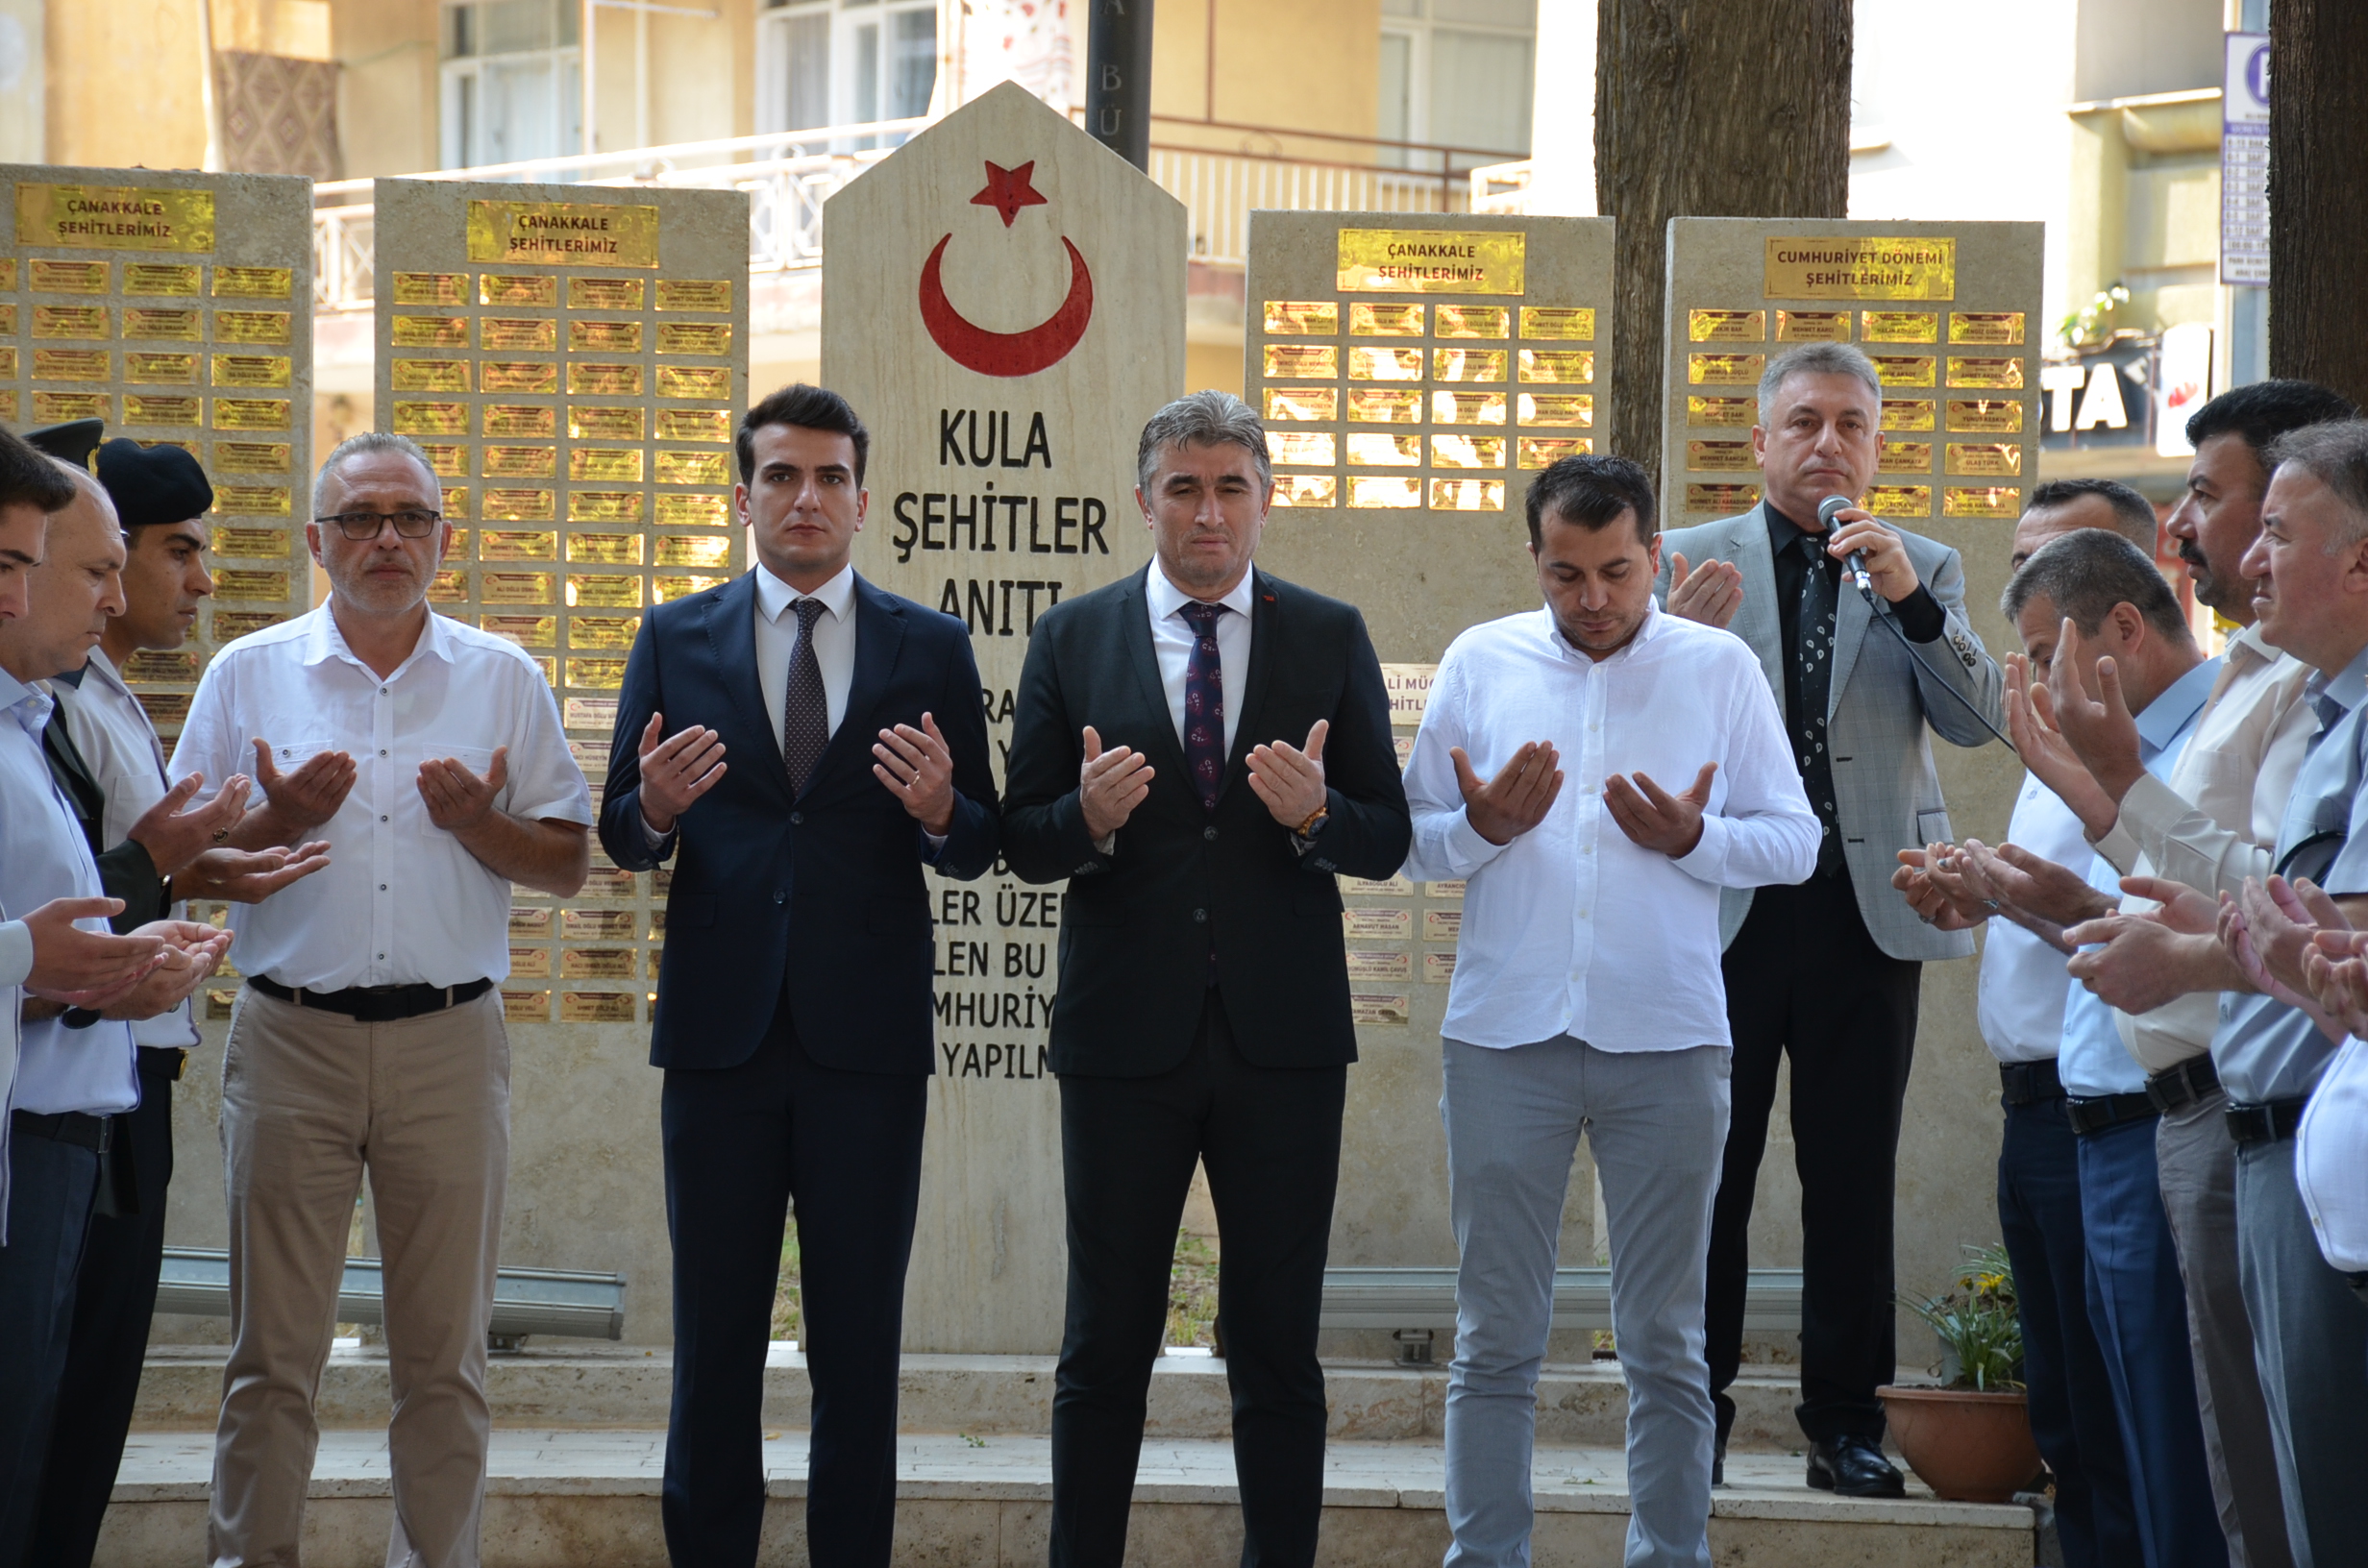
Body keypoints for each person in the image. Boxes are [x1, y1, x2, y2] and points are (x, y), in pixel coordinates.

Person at [1001, 389, 1410, 1568]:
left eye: (1232, 486)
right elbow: (1021, 839)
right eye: (1183, 487)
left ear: (1266, 500)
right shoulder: (1072, 638)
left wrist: (1317, 813)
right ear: (1144, 500)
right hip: (1123, 1039)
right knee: (1105, 1341)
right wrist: (1084, 819)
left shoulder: (1326, 634)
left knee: (1276, 1343)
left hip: (1284, 1043)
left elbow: (1385, 836)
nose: (1208, 511)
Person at [172, 430, 592, 1568]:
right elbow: (177, 866)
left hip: (449, 1042)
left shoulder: (502, 677)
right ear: (318, 542)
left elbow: (565, 865)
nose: (388, 538)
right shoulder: (247, 674)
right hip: (291, 1039)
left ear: (445, 540)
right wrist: (280, 819)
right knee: (271, 1358)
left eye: (411, 517)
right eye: (360, 518)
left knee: (444, 1360)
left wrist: (478, 825)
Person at [599, 383, 999, 1568]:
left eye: (830, 477)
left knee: (858, 1345)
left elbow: (976, 841)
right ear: (744, 498)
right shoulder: (675, 636)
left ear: (863, 501)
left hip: (865, 1047)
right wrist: (652, 808)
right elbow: (622, 833)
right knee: (714, 1340)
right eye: (782, 476)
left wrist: (942, 810)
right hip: (718, 1040)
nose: (806, 497)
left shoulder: (930, 645)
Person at [1402, 454, 1816, 1568]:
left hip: (1668, 1041)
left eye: (1617, 573)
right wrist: (1480, 828)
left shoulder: (1718, 667)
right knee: (1494, 1337)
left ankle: (1669, 1555)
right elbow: (1410, 839)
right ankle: (1485, 1556)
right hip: (1503, 1039)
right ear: (1533, 560)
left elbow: (1795, 841)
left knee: (1665, 1341)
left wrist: (1696, 840)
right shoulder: (1480, 660)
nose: (1592, 598)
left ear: (1658, 558)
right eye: (1565, 574)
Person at [1655, 340, 2004, 1493]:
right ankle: (1688, 1413)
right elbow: (1623, 726)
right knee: (1707, 1171)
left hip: (1867, 913)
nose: (1826, 444)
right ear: (1759, 441)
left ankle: (1845, 1423)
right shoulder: (1685, 559)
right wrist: (1669, 643)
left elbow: (1974, 721)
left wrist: (1908, 601)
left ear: (1876, 445)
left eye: (1850, 424)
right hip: (1722, 909)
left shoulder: (1920, 564)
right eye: (1803, 422)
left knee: (1851, 1175)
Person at [2035, 381, 2357, 1568]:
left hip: (2262, 1110)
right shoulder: (2283, 680)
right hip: (2233, 1117)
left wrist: (2177, 927)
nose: (2191, 531)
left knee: (2284, 1491)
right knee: (2233, 1483)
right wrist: (2105, 815)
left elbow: (2313, 920)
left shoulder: (2305, 696)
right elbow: (2252, 890)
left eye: (2242, 512)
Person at [29, 440, 327, 1568]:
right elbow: (74, 903)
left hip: (121, 1072)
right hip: (69, 1083)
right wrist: (167, 861)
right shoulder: (48, 701)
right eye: (172, 553)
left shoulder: (94, 690)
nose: (198, 582)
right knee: (60, 1398)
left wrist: (210, 866)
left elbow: (114, 876)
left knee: (86, 1396)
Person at [1892, 484, 2161, 1568]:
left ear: (2128, 595)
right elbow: (2056, 908)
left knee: (2119, 1412)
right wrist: (1981, 898)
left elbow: (2155, 924)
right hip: (2039, 1107)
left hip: (2115, 1103)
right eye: (2017, 566)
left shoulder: (2148, 748)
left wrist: (2035, 903)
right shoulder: (2055, 732)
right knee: (2065, 1410)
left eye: (2055, 568)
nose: (2023, 596)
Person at [0, 432, 231, 1568]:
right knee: (32, 1442)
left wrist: (136, 941)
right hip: (39, 1120)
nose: (111, 596)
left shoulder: (43, 716)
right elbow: (58, 924)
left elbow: (71, 915)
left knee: (60, 1428)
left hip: (85, 1103)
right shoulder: (44, 710)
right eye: (93, 567)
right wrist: (52, 954)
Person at [1976, 531, 2226, 1568]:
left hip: (2178, 1109)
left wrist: (2070, 895)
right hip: (2093, 1118)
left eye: (2047, 655)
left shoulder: (2216, 728)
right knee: (2106, 1440)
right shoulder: (2095, 741)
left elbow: (2205, 910)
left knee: (2183, 1461)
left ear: (2125, 627)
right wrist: (2026, 898)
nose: (2038, 685)